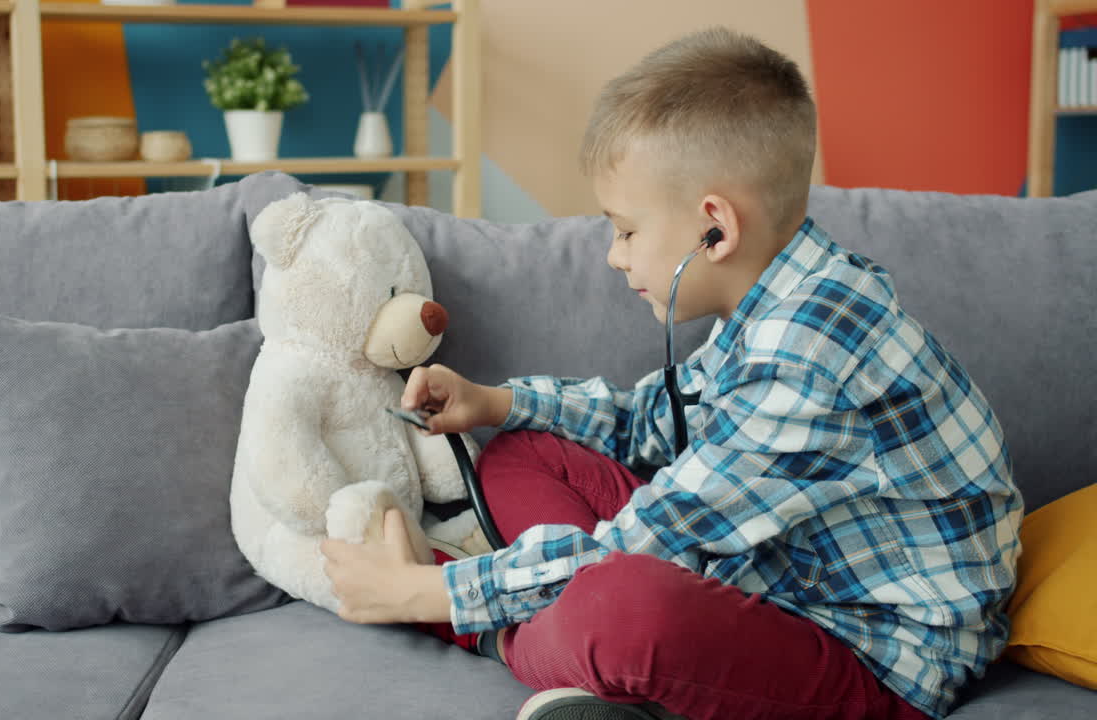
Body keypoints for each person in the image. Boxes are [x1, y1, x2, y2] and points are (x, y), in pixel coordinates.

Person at [320, 26, 1021, 720]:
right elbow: (645, 422)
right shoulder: (779, 298)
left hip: (874, 662)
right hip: (766, 574)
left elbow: (632, 549)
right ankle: (563, 641)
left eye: (625, 231)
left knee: (623, 611)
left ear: (715, 228)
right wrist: (497, 401)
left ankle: (498, 634)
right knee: (522, 450)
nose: (613, 257)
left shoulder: (809, 357)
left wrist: (425, 597)